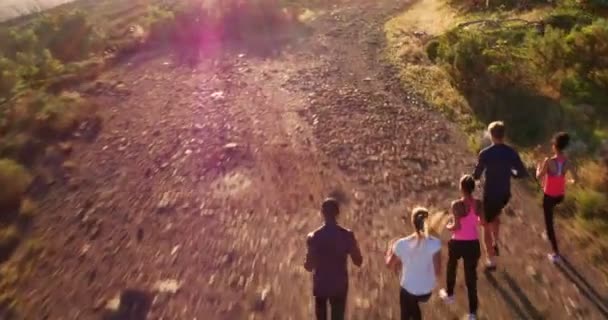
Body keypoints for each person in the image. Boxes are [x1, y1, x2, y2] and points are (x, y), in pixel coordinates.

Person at [473, 121, 528, 270]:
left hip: (490, 193)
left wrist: (476, 180)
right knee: (495, 216)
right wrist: (510, 172)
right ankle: (496, 242)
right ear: (504, 135)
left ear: (491, 135)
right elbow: (522, 173)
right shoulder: (511, 152)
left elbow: (477, 175)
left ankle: (491, 260)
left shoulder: (485, 153)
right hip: (505, 193)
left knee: (484, 224)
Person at [304, 198, 363, 320]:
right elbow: (358, 261)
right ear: (337, 213)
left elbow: (309, 266)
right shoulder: (347, 235)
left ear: (322, 213)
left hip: (321, 285)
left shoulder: (314, 236)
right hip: (339, 285)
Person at [386, 207, 442, 320]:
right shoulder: (435, 244)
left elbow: (389, 265)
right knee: (413, 304)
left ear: (412, 223)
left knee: (406, 307)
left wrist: (389, 250)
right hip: (427, 291)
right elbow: (437, 271)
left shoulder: (401, 244)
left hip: (408, 290)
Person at [439, 175, 482, 320]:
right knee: (471, 278)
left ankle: (450, 294)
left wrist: (448, 226)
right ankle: (472, 313)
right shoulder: (479, 204)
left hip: (458, 242)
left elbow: (456, 226)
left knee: (452, 267)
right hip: (473, 243)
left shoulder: (456, 204)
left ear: (461, 187)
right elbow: (481, 222)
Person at [536, 132, 575, 263]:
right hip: (560, 196)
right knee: (550, 216)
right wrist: (567, 182)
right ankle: (548, 233)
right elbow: (576, 179)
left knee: (549, 222)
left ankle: (556, 253)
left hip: (549, 197)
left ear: (554, 146)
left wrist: (538, 168)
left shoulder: (549, 161)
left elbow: (539, 176)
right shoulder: (568, 162)